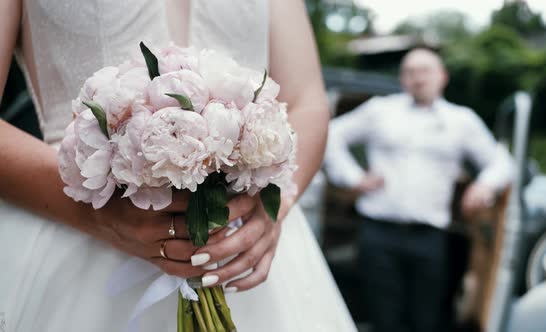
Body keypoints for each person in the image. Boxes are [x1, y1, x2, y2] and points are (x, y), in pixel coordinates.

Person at [0, 0, 356, 331]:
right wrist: (94, 215)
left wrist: (276, 205)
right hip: (74, 240)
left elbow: (307, 100)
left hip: (249, 246)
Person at [324, 48, 513, 332]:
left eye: (425, 70)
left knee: (427, 319)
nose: (418, 78)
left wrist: (484, 184)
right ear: (402, 79)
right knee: (383, 318)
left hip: (430, 238)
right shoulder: (379, 110)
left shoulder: (462, 121)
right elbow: (330, 135)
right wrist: (354, 177)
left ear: (443, 76)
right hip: (378, 233)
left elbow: (501, 162)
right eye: (410, 72)